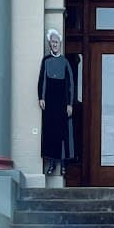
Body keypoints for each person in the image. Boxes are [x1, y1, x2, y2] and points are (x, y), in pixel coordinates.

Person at [36, 29, 75, 177]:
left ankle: (64, 164)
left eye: (57, 42)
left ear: (60, 44)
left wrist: (70, 103)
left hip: (62, 100)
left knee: (64, 132)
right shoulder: (46, 61)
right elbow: (42, 79)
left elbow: (70, 84)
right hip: (50, 100)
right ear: (49, 44)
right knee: (50, 131)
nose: (54, 45)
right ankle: (52, 163)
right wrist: (41, 97)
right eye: (52, 42)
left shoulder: (65, 62)